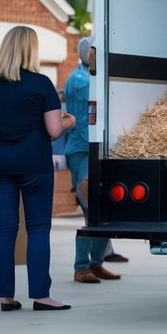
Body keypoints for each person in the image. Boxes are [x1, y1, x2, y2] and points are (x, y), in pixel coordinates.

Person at [0, 26, 75, 311]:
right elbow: (53, 130)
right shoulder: (41, 84)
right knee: (38, 228)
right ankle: (40, 295)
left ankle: (5, 295)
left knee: (6, 229)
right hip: (34, 163)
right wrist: (69, 122)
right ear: (31, 50)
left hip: (0, 164)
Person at [65, 37, 121, 284]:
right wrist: (98, 150)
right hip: (84, 150)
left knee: (102, 209)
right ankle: (81, 267)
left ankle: (96, 263)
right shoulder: (80, 81)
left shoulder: (91, 78)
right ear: (89, 54)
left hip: (92, 149)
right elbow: (82, 120)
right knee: (90, 209)